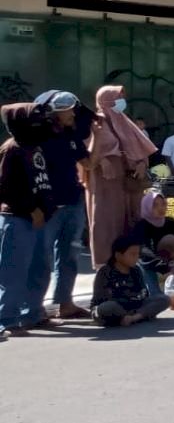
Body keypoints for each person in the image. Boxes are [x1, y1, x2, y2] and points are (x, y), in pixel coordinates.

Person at [33, 91, 92, 320]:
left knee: (70, 254)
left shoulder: (71, 134)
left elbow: (88, 162)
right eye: (67, 109)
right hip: (48, 204)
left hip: (73, 200)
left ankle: (65, 303)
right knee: (41, 256)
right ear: (52, 112)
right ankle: (33, 308)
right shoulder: (38, 137)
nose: (72, 113)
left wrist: (102, 137)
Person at [0, 103, 56, 336]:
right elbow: (5, 186)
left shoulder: (35, 146)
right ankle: (7, 318)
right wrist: (31, 208)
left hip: (41, 218)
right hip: (19, 218)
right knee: (14, 271)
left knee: (40, 268)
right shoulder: (11, 149)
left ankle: (32, 313)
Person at [85, 85, 156, 267]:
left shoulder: (124, 121)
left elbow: (141, 148)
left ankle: (132, 261)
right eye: (117, 98)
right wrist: (100, 159)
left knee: (131, 218)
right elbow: (85, 151)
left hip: (129, 180)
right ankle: (105, 263)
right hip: (106, 181)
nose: (121, 102)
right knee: (107, 220)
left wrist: (141, 163)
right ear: (106, 100)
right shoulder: (94, 122)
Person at [90, 235, 171, 328]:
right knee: (107, 307)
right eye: (132, 254)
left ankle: (133, 318)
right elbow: (102, 299)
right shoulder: (105, 272)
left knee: (164, 299)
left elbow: (143, 294)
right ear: (118, 255)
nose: (136, 257)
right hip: (113, 307)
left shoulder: (136, 270)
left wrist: (137, 302)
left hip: (134, 306)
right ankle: (130, 317)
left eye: (137, 254)